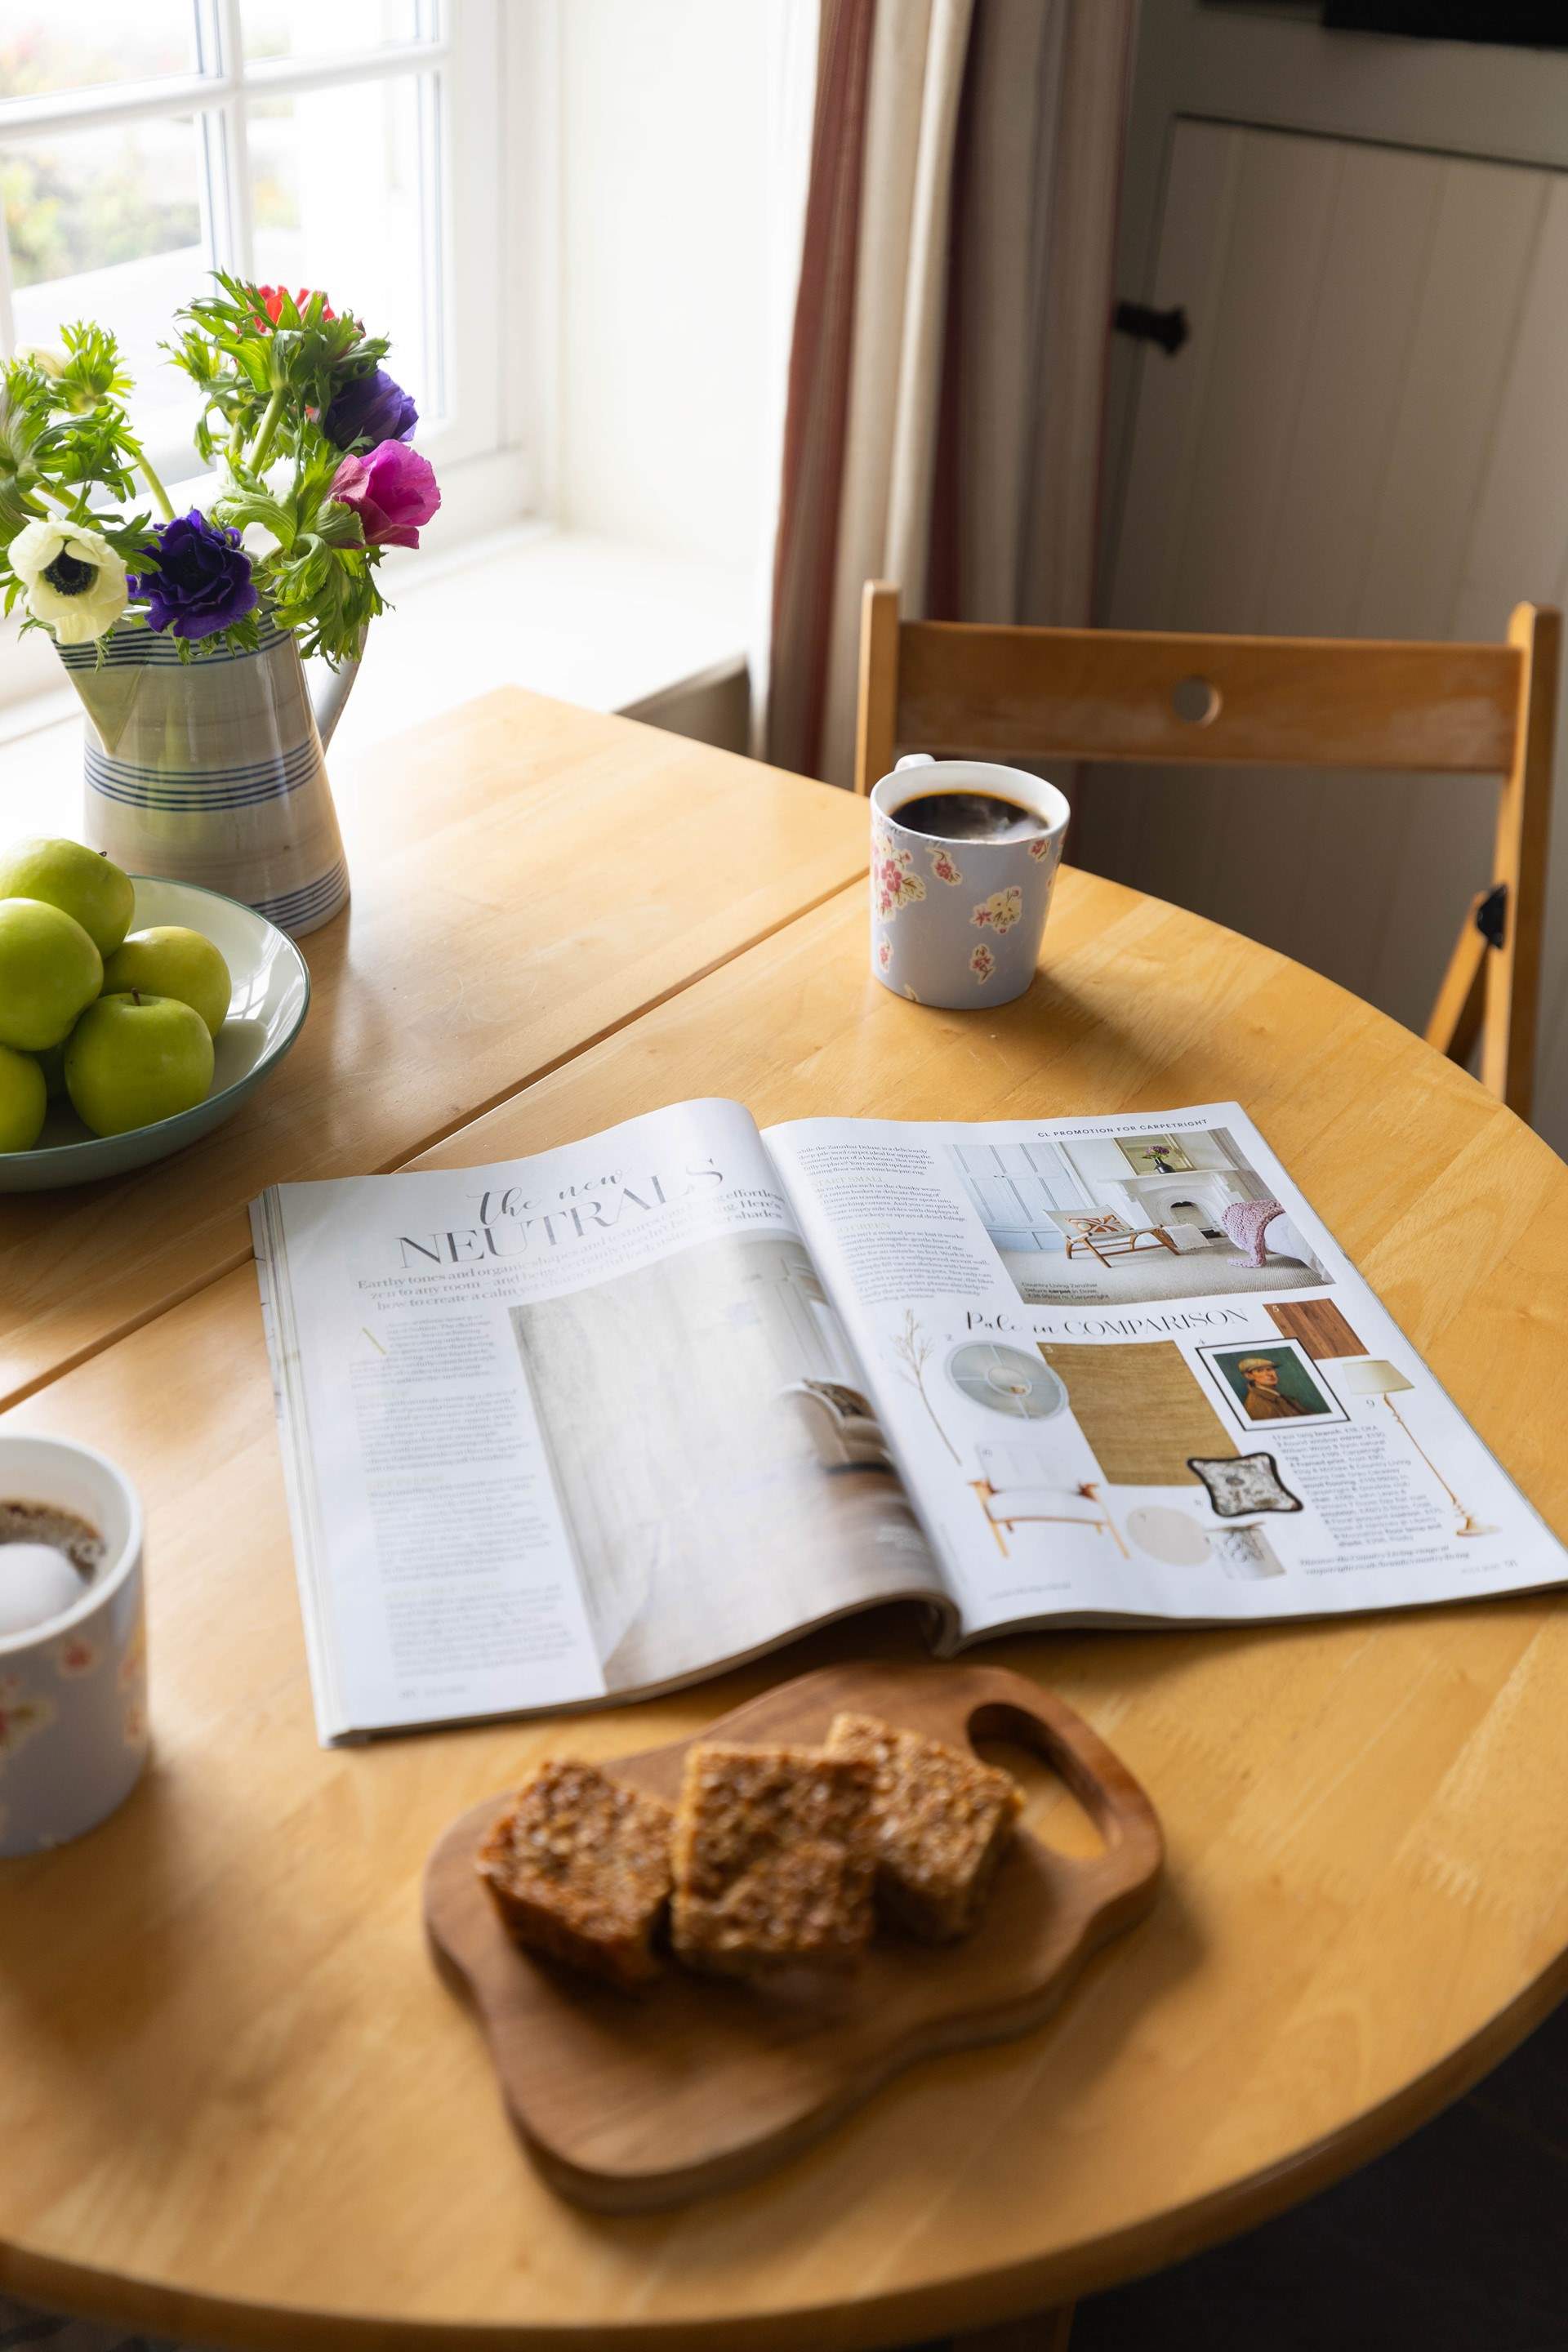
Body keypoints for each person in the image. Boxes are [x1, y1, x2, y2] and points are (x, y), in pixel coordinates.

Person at [1235, 1353, 1315, 1422]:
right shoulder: (1257, 1403)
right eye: (1260, 1371)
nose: (1269, 1374)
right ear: (1249, 1376)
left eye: (1269, 1369)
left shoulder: (1281, 1397)